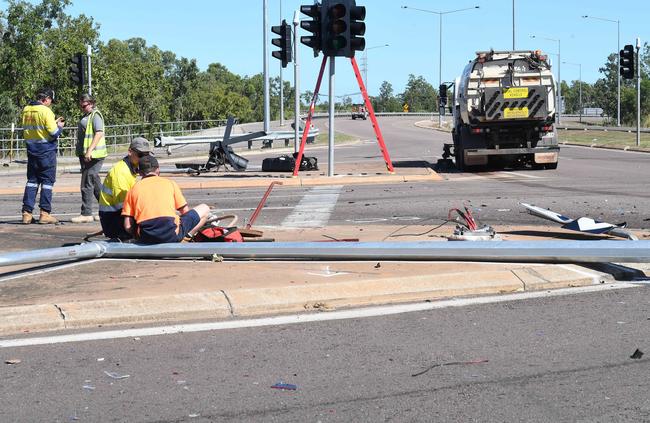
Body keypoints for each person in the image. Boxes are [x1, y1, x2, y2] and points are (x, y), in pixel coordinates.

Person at [122, 155, 210, 244]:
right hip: (171, 234)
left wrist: (137, 236)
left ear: (139, 172)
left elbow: (128, 225)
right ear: (157, 169)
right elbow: (185, 211)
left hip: (146, 237)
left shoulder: (133, 190)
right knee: (205, 208)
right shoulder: (170, 183)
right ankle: (185, 238)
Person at [21, 88, 65, 224]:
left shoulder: (26, 110)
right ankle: (45, 213)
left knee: (32, 181)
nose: (50, 104)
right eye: (50, 101)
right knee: (47, 182)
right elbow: (53, 132)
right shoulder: (46, 111)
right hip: (46, 152)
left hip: (32, 151)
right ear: (46, 99)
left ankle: (26, 213)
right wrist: (60, 126)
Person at [98, 137, 151, 240]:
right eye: (141, 155)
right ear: (130, 152)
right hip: (114, 220)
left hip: (117, 216)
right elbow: (123, 208)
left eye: (147, 155)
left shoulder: (132, 169)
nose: (144, 158)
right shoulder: (121, 173)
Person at [72, 94, 108, 223]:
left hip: (94, 156)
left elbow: (99, 133)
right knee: (96, 184)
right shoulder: (86, 116)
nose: (82, 107)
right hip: (86, 155)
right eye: (81, 105)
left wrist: (89, 150)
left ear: (91, 103)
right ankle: (107, 210)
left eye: (85, 105)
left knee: (87, 182)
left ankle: (86, 213)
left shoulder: (95, 115)